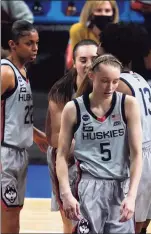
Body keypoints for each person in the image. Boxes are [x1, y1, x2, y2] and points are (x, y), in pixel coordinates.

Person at [78, 22, 151, 233]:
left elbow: (83, 111)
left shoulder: (115, 84)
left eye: (100, 45)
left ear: (109, 50)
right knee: (139, 227)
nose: (97, 49)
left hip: (139, 162)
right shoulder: (140, 80)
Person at [56, 54, 143, 233]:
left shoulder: (128, 104)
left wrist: (132, 196)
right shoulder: (73, 109)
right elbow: (61, 155)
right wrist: (66, 193)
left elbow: (136, 155)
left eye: (115, 81)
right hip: (89, 186)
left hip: (120, 186)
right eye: (104, 81)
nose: (110, 87)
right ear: (91, 76)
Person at [45, 39, 98, 233]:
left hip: (96, 159)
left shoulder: (109, 86)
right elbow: (58, 140)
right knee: (72, 221)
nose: (89, 64)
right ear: (73, 62)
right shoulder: (60, 91)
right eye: (83, 60)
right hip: (66, 160)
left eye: (94, 58)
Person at [1, 20, 48, 234]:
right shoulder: (6, 72)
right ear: (13, 44)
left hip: (19, 152)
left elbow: (16, 116)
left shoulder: (23, 72)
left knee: (14, 212)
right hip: (5, 154)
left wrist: (36, 134)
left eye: (36, 42)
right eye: (29, 43)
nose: (35, 47)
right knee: (9, 216)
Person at [66, 0, 119, 69]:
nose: (103, 14)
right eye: (99, 10)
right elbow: (74, 61)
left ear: (113, 13)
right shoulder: (78, 30)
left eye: (107, 11)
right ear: (90, 13)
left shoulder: (117, 33)